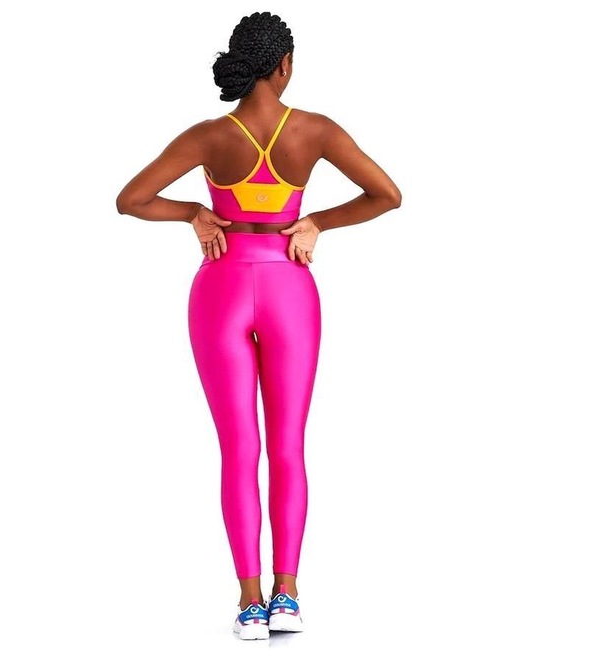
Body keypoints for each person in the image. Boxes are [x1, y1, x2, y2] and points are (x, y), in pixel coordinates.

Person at [116, 11, 402, 641]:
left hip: (219, 286)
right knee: (288, 446)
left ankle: (249, 604)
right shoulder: (315, 130)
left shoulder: (208, 136)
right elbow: (387, 194)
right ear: (285, 65)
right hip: (289, 288)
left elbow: (130, 199)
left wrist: (193, 211)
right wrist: (317, 222)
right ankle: (287, 595)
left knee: (239, 449)